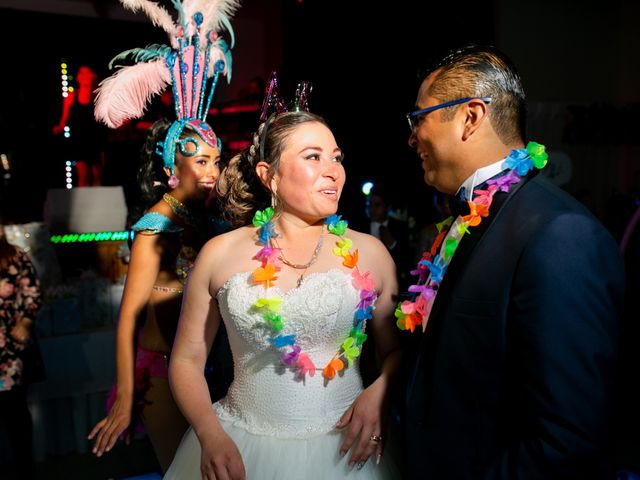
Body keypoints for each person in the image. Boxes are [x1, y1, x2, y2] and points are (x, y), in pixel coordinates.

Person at [400, 44, 625, 479]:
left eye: (419, 118)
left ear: (470, 117)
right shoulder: (463, 219)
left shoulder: (560, 234)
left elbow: (567, 437)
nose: (412, 137)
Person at [165, 100, 402, 478]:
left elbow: (398, 351)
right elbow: (186, 360)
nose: (333, 173)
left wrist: (381, 392)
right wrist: (210, 433)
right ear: (269, 175)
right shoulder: (219, 254)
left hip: (347, 450)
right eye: (313, 157)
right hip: (241, 446)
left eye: (337, 158)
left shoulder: (370, 254)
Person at [88, 1, 238, 471]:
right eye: (200, 162)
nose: (212, 172)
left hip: (203, 371)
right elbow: (129, 318)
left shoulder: (206, 219)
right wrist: (126, 399)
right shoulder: (156, 227)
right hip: (160, 377)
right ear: (173, 168)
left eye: (215, 160)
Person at [0, 225, 42, 479]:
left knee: (15, 413)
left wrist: (25, 322)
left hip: (9, 352)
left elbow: (33, 291)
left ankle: (26, 470)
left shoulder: (13, 256)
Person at [52, 65, 107, 187]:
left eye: (88, 74)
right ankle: (82, 204)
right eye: (83, 74)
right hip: (79, 141)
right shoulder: (71, 97)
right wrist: (59, 127)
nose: (86, 77)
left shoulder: (97, 97)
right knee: (83, 176)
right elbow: (64, 119)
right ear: (78, 78)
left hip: (95, 140)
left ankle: (98, 203)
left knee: (97, 175)